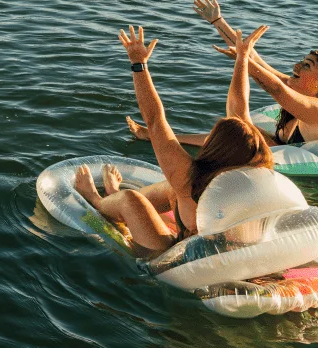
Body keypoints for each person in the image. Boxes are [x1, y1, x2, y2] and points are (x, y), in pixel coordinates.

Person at [76, 24, 275, 256]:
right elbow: (239, 109)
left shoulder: (190, 180)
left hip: (177, 261)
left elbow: (155, 120)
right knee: (172, 189)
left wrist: (139, 64)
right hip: (236, 258)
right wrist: (242, 57)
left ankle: (97, 200)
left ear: (216, 148)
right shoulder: (259, 178)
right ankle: (114, 193)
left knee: (132, 199)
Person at [125, 0, 318, 147]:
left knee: (238, 124)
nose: (297, 67)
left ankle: (158, 138)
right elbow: (255, 59)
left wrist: (242, 59)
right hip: (284, 154)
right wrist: (217, 21)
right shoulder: (299, 93)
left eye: (307, 65)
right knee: (232, 131)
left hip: (310, 177)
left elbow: (274, 88)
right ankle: (157, 137)